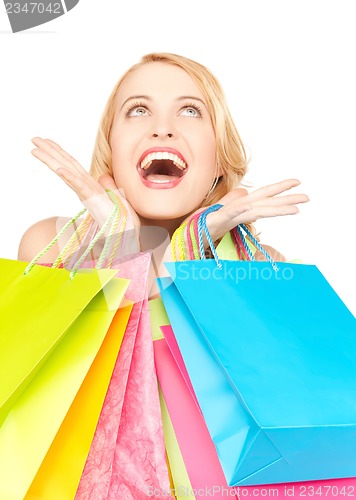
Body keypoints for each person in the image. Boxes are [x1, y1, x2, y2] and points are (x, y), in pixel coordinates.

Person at [18, 52, 309, 278]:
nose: (162, 128)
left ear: (220, 159)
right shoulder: (51, 247)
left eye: (190, 110)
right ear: (112, 150)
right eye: (139, 110)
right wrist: (122, 243)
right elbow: (107, 351)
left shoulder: (258, 267)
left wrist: (188, 245)